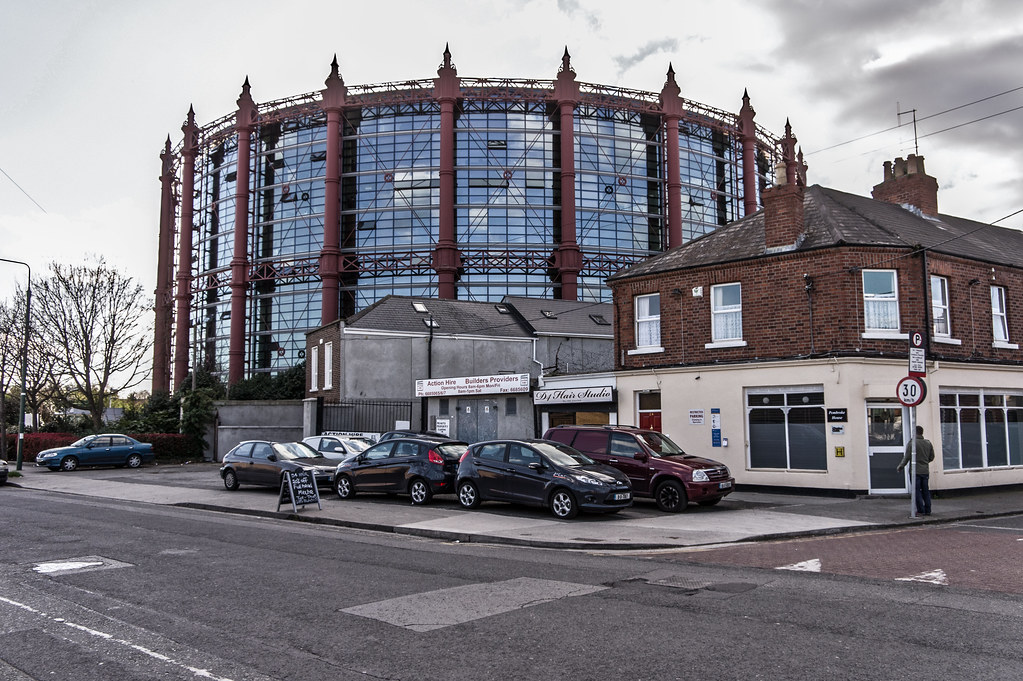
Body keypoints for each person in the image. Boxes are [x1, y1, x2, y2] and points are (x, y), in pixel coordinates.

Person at [897, 425, 935, 515]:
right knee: (926, 490)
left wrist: (900, 466)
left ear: (914, 433)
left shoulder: (912, 444)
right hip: (925, 471)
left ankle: (920, 509)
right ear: (922, 432)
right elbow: (932, 457)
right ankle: (928, 509)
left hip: (915, 471)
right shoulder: (928, 443)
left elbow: (906, 458)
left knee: (916, 491)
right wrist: (925, 462)